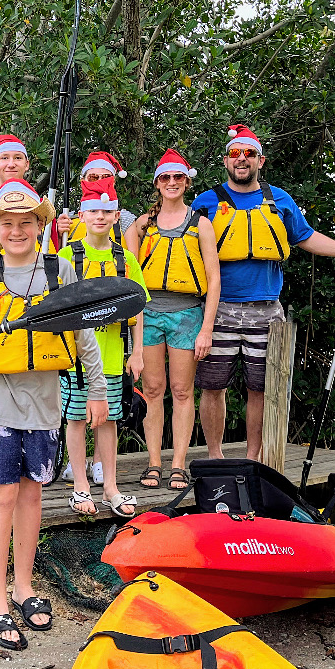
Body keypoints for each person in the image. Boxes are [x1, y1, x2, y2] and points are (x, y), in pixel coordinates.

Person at [0, 179, 106, 650]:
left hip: (44, 403)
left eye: (27, 222)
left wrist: (97, 390)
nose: (18, 231)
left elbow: (84, 335)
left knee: (32, 496)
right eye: (8, 224)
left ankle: (24, 588)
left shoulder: (60, 270)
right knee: (0, 497)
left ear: (40, 224)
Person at [191, 124, 335, 460]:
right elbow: (178, 244)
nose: (242, 159)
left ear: (261, 161)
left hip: (267, 310)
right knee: (212, 386)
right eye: (236, 154)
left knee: (260, 389)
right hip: (218, 310)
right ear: (225, 160)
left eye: (249, 154)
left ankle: (253, 457)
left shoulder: (280, 200)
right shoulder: (205, 202)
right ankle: (215, 456)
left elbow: (305, 237)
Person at [127, 149, 221, 492]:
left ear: (187, 181)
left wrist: (206, 328)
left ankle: (178, 463)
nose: (171, 183)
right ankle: (154, 462)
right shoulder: (141, 225)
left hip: (187, 314)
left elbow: (214, 280)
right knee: (153, 390)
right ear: (156, 183)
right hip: (148, 312)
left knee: (182, 391)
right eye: (165, 177)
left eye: (178, 177)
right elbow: (130, 281)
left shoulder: (201, 224)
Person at [58, 174, 149, 518]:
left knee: (109, 419)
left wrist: (138, 352)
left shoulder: (126, 259)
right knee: (78, 418)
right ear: (82, 215)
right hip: (77, 359)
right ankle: (80, 483)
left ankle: (110, 485)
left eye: (106, 212)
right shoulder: (67, 256)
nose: (99, 217)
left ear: (115, 216)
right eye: (93, 210)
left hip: (114, 354)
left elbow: (138, 309)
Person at [0, 134, 70, 260]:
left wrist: (60, 237)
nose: (11, 164)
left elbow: (53, 256)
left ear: (27, 164)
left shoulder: (42, 209)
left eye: (17, 158)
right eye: (4, 158)